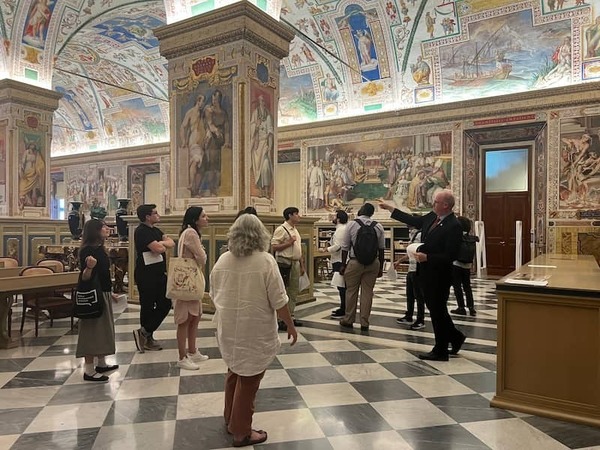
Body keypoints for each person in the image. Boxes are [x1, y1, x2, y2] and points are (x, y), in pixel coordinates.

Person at [211, 214, 297, 448]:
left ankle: (231, 419)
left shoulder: (223, 260)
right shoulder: (265, 261)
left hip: (229, 328)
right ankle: (242, 432)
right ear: (260, 235)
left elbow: (213, 293)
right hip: (254, 329)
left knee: (234, 372)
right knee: (249, 379)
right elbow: (279, 300)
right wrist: (290, 325)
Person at [380, 189, 465, 361]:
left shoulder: (454, 225)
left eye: (436, 202)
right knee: (437, 310)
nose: (432, 204)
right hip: (426, 273)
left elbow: (452, 255)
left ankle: (440, 350)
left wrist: (428, 257)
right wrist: (391, 209)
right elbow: (413, 220)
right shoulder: (432, 218)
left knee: (437, 312)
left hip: (440, 275)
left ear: (446, 205)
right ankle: (456, 338)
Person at [76, 219, 118, 382]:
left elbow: (103, 275)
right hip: (94, 295)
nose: (107, 228)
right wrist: (90, 267)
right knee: (92, 331)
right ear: (95, 231)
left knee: (103, 330)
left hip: (103, 293)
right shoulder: (87, 250)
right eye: (103, 227)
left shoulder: (100, 248)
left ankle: (101, 363)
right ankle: (88, 369)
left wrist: (110, 292)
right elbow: (85, 276)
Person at [132, 204, 175, 353]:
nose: (158, 215)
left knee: (165, 304)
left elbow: (170, 243)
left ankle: (144, 332)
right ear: (147, 217)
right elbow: (159, 249)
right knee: (148, 306)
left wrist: (161, 243)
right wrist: (161, 245)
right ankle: (147, 338)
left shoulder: (156, 230)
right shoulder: (141, 231)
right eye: (155, 213)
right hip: (146, 275)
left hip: (159, 273)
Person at [174, 206, 210, 370]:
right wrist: (202, 252)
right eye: (203, 216)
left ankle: (193, 350)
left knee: (195, 316)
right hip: (186, 280)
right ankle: (182, 357)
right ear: (195, 219)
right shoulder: (191, 233)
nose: (206, 218)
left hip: (191, 280)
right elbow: (202, 257)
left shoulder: (190, 232)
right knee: (185, 319)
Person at [339, 203, 385, 331]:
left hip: (355, 262)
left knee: (351, 292)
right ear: (371, 213)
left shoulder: (352, 224)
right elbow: (381, 249)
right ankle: (364, 322)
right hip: (373, 263)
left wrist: (343, 264)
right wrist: (380, 267)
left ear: (361, 211)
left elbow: (345, 247)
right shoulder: (378, 226)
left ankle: (348, 320)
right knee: (367, 293)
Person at [272, 207, 306, 330]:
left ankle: (290, 316)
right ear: (290, 215)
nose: (299, 216)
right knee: (284, 290)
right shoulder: (281, 229)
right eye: (296, 214)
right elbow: (274, 246)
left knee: (293, 290)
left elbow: (299, 250)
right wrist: (289, 243)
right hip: (285, 263)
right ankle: (281, 319)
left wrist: (302, 265)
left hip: (295, 263)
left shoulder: (295, 230)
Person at [396, 224, 426, 330]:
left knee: (419, 296)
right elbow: (410, 254)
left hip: (418, 269)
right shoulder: (413, 235)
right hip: (411, 269)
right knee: (410, 294)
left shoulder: (421, 235)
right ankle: (409, 315)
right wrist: (399, 261)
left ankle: (420, 319)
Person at [201, 89, 230, 196]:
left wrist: (227, 141)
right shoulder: (208, 110)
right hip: (212, 138)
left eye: (217, 99)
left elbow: (227, 129)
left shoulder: (223, 113)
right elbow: (210, 124)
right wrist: (216, 131)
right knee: (211, 164)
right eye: (213, 98)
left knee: (218, 165)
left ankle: (217, 188)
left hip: (220, 140)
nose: (214, 100)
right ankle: (211, 189)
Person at [451, 216, 477, 317]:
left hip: (456, 264)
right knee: (467, 287)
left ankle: (461, 307)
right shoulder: (471, 238)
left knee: (457, 287)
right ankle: (471, 308)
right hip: (467, 265)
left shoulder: (456, 237)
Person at [250, 95, 274, 198]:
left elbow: (270, 133)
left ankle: (267, 189)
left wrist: (270, 146)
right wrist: (256, 126)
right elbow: (252, 128)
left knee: (265, 166)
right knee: (257, 169)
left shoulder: (268, 117)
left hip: (265, 144)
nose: (262, 103)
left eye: (263, 101)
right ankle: (260, 190)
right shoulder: (255, 113)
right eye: (260, 101)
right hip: (257, 145)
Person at [328, 210, 349, 319]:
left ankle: (344, 308)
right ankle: (344, 307)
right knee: (342, 286)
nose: (332, 218)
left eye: (334, 216)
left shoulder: (340, 230)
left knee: (342, 286)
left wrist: (326, 249)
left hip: (339, 260)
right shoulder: (343, 228)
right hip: (340, 259)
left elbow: (338, 246)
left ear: (339, 219)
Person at [19, 142, 45, 207]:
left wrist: (38, 169)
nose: (32, 146)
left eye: (34, 145)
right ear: (29, 145)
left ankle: (31, 202)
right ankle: (24, 201)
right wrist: (22, 168)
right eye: (31, 144)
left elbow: (40, 162)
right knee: (23, 187)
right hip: (27, 171)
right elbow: (23, 161)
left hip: (34, 171)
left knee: (33, 188)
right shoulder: (26, 152)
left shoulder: (36, 153)